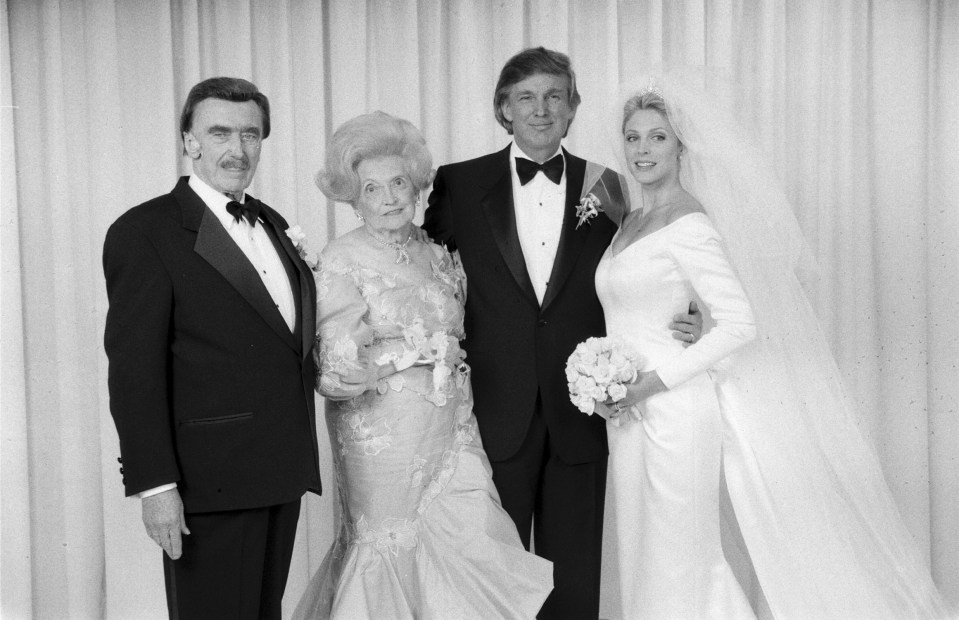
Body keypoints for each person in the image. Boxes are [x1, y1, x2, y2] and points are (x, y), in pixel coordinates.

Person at [595, 75, 949, 618]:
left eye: (658, 137)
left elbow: (740, 324)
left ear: (682, 145)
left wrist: (647, 384)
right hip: (626, 414)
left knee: (681, 557)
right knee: (640, 551)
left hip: (673, 408)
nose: (643, 150)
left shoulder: (690, 221)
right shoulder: (632, 221)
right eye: (634, 137)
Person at [423, 47, 702, 619]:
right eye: (526, 98)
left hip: (587, 410)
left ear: (574, 108)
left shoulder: (612, 188)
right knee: (492, 575)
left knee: (574, 578)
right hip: (493, 411)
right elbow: (425, 276)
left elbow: (650, 264)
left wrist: (693, 308)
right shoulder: (457, 183)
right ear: (504, 110)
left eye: (555, 96)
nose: (542, 109)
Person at [293, 111, 553, 619]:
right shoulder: (342, 259)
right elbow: (333, 368)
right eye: (372, 188)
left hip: (451, 427)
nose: (389, 198)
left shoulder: (437, 253)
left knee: (473, 532)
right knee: (391, 546)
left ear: (416, 185)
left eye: (398, 183)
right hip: (382, 434)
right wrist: (406, 357)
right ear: (353, 195)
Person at [103, 77, 322, 619]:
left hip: (279, 472)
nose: (237, 149)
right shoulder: (145, 231)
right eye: (220, 132)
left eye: (250, 134)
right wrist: (155, 486)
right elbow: (134, 373)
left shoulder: (270, 220)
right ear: (189, 140)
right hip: (208, 482)